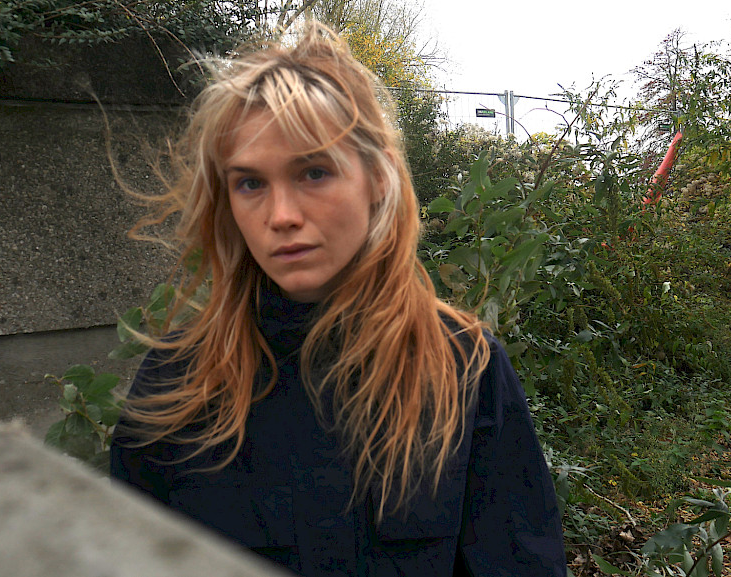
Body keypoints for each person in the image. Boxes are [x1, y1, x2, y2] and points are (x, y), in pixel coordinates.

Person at [109, 21, 566, 576]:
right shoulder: (177, 381)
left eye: (314, 172)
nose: (281, 216)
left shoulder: (464, 368)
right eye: (250, 183)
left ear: (378, 178)